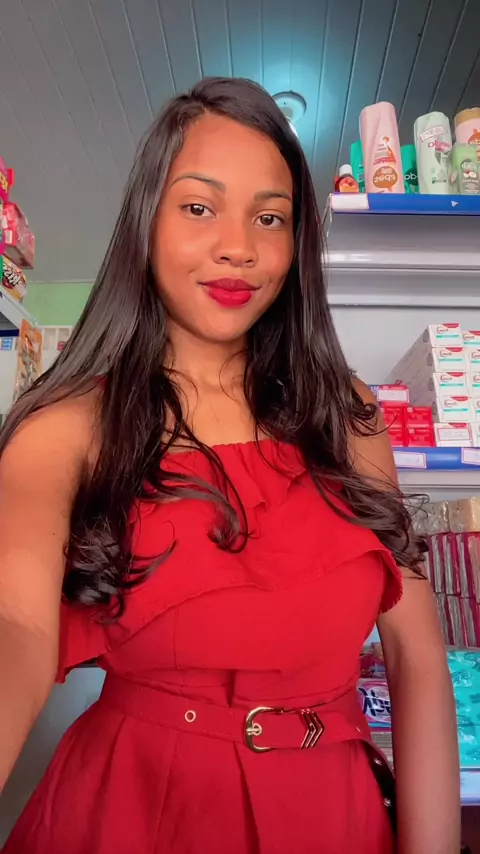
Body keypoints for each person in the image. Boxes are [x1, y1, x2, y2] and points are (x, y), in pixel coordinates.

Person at [0, 77, 460, 853]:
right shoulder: (68, 427)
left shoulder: (345, 415)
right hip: (135, 813)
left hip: (334, 815)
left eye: (269, 217)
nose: (238, 247)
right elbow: (14, 623)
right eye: (199, 207)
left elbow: (416, 653)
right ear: (146, 220)